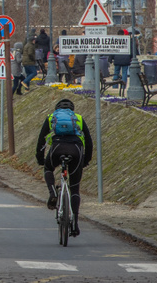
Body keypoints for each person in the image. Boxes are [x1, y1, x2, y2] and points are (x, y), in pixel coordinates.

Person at [35, 98, 93, 238]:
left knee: (48, 168)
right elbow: (89, 142)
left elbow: (41, 140)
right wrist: (85, 160)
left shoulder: (51, 117)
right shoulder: (78, 118)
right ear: (72, 110)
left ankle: (52, 193)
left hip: (57, 148)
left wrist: (40, 159)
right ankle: (75, 224)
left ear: (57, 108)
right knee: (74, 188)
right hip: (76, 151)